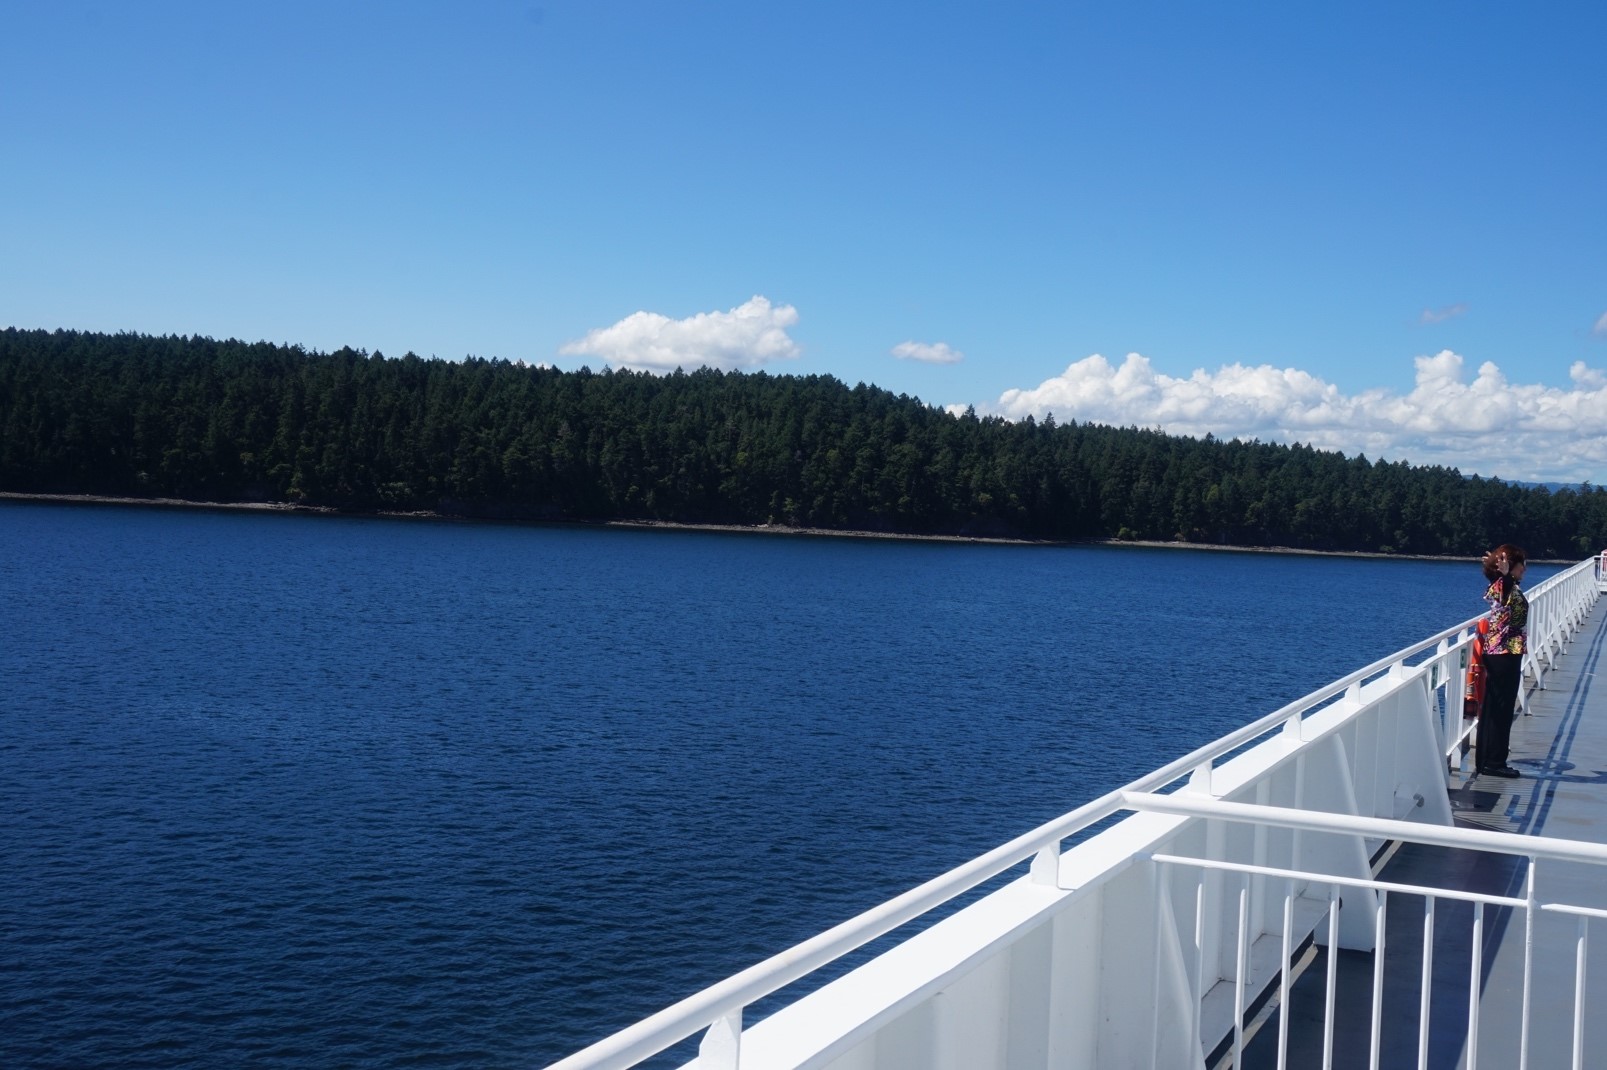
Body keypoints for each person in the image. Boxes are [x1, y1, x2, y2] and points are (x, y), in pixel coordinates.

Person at [1476, 543, 1528, 778]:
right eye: (1522, 565)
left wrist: (1502, 573)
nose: (1524, 569)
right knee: (1500, 709)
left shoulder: (1505, 585)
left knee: (1496, 707)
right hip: (1503, 653)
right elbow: (1504, 592)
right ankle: (1493, 763)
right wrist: (1504, 574)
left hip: (1504, 652)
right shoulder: (1503, 586)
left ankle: (1489, 760)